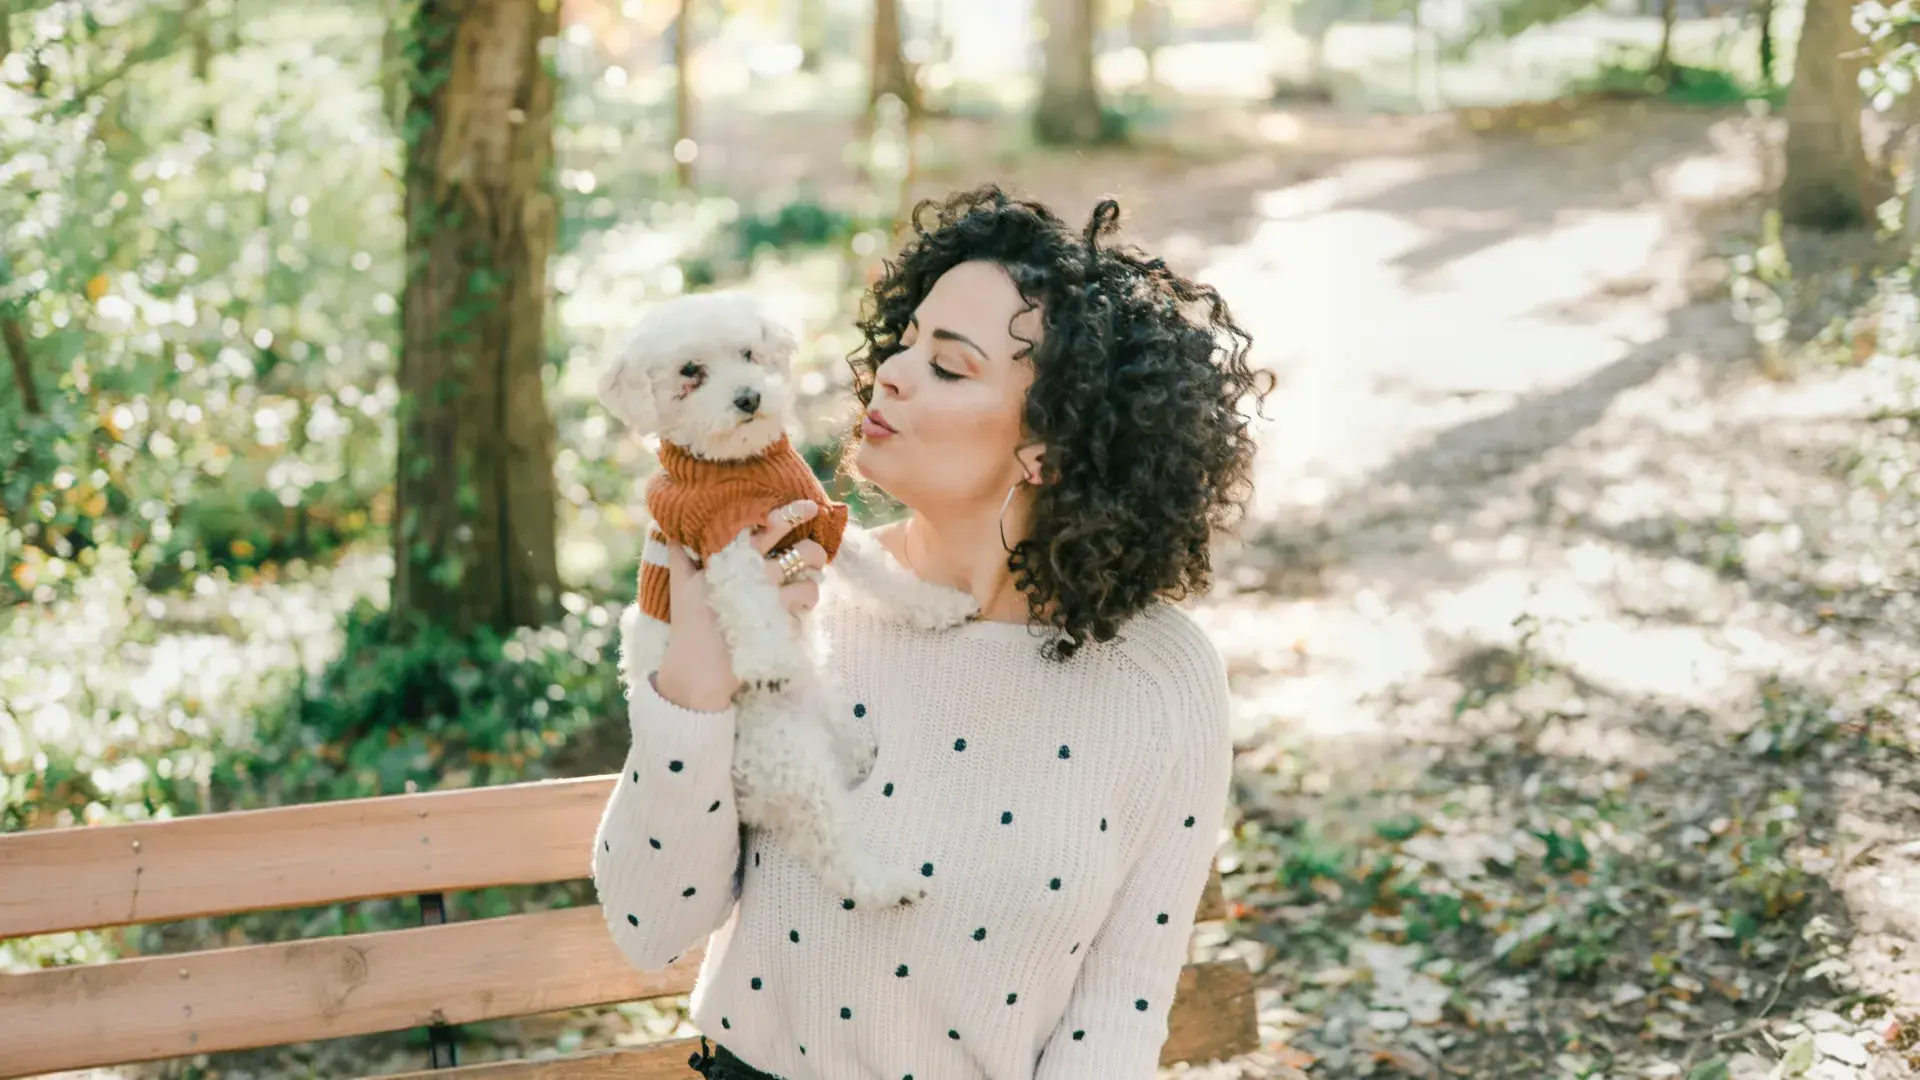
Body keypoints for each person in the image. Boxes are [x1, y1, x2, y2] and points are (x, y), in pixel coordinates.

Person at [591, 184, 1273, 1080]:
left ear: (1050, 448)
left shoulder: (1161, 678)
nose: (895, 373)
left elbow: (1120, 1004)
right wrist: (693, 687)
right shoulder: (787, 591)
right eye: (906, 340)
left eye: (949, 367)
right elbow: (649, 930)